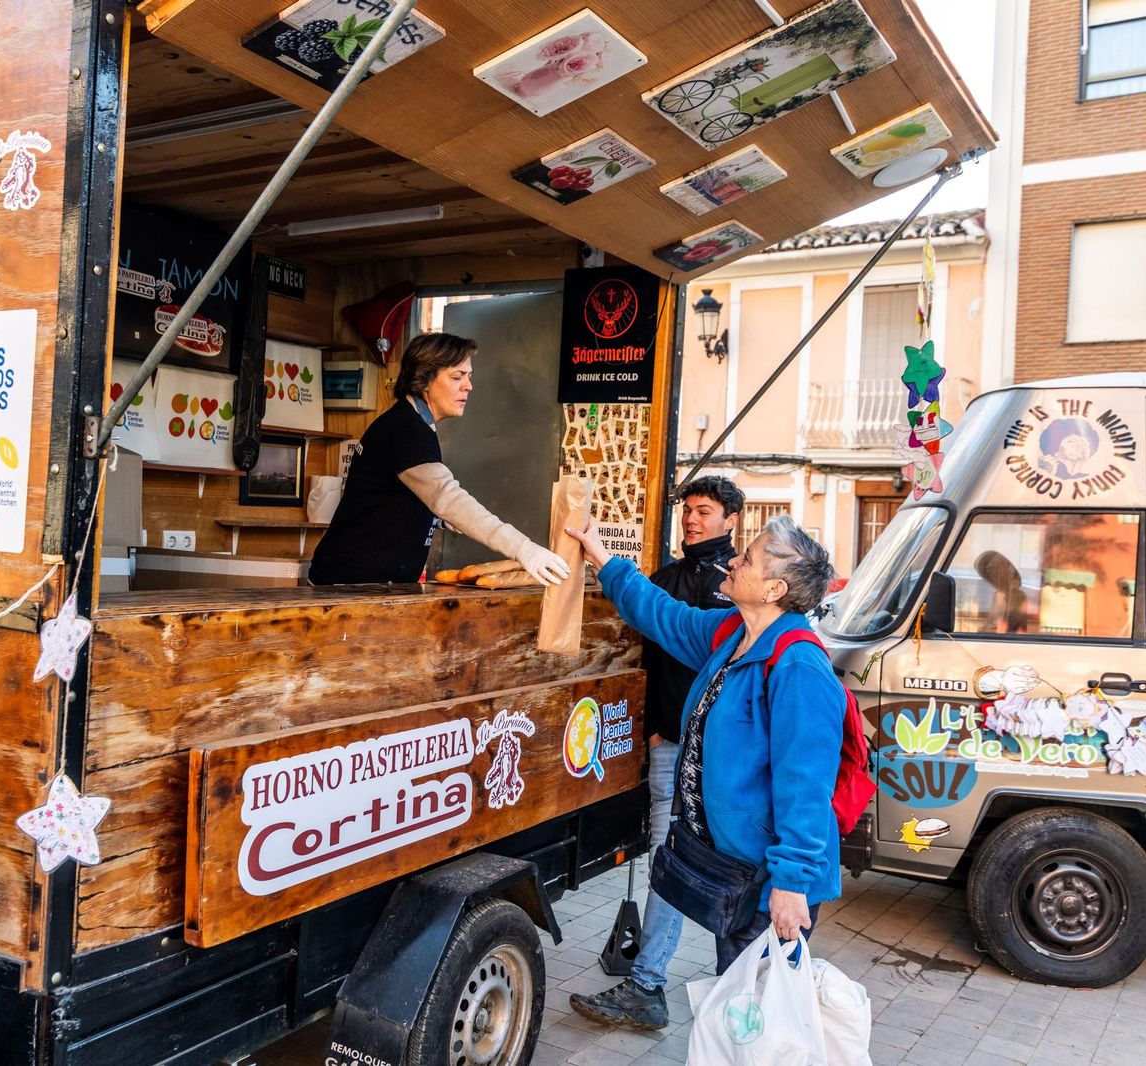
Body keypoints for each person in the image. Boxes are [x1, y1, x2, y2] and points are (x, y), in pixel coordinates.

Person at [567, 513, 845, 1010]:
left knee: (756, 1018)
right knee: (738, 1005)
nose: (734, 560)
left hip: (768, 882)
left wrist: (790, 884)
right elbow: (663, 615)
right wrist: (601, 558)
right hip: (734, 867)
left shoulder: (799, 665)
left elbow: (806, 787)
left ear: (774, 589)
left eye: (750, 558)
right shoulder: (733, 634)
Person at [569, 476, 743, 1030]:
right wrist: (650, 733)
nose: (693, 520)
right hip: (668, 744)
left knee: (728, 866)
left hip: (719, 759)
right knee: (669, 861)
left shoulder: (736, 592)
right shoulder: (666, 575)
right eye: (688, 510)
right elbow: (647, 654)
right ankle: (650, 982)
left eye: (706, 511)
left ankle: (731, 991)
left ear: (731, 521)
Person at [308, 332, 570, 586]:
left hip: (371, 583)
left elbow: (399, 496)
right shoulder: (406, 430)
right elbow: (447, 498)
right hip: (348, 586)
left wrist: (440, 518)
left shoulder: (415, 425)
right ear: (424, 380)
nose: (468, 385)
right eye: (457, 376)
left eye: (468, 376)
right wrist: (523, 548)